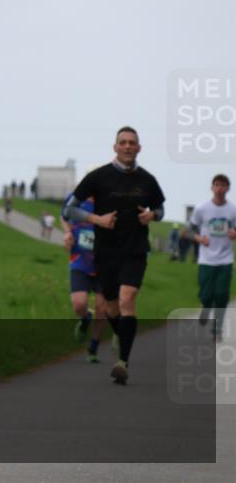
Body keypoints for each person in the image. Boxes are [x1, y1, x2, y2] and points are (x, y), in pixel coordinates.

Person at [62, 126, 165, 385]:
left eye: (132, 143)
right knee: (110, 307)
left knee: (127, 298)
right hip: (106, 252)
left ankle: (123, 363)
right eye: (123, 142)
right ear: (115, 147)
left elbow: (161, 208)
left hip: (135, 249)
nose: (128, 146)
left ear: (139, 148)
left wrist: (151, 215)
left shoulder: (148, 180)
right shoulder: (99, 177)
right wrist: (97, 218)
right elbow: (69, 209)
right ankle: (124, 336)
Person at [189, 174, 236, 340]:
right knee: (206, 295)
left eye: (223, 185)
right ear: (212, 187)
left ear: (228, 188)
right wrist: (199, 238)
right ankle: (206, 308)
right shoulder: (202, 208)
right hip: (206, 259)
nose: (219, 188)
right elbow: (191, 229)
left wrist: (234, 233)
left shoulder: (233, 209)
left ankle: (217, 329)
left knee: (222, 294)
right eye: (217, 185)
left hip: (225, 259)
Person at [61, 196, 107, 362]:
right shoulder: (76, 197)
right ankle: (85, 317)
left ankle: (93, 348)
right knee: (79, 304)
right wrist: (67, 232)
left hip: (104, 265)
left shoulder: (111, 200)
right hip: (79, 260)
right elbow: (63, 216)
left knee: (102, 309)